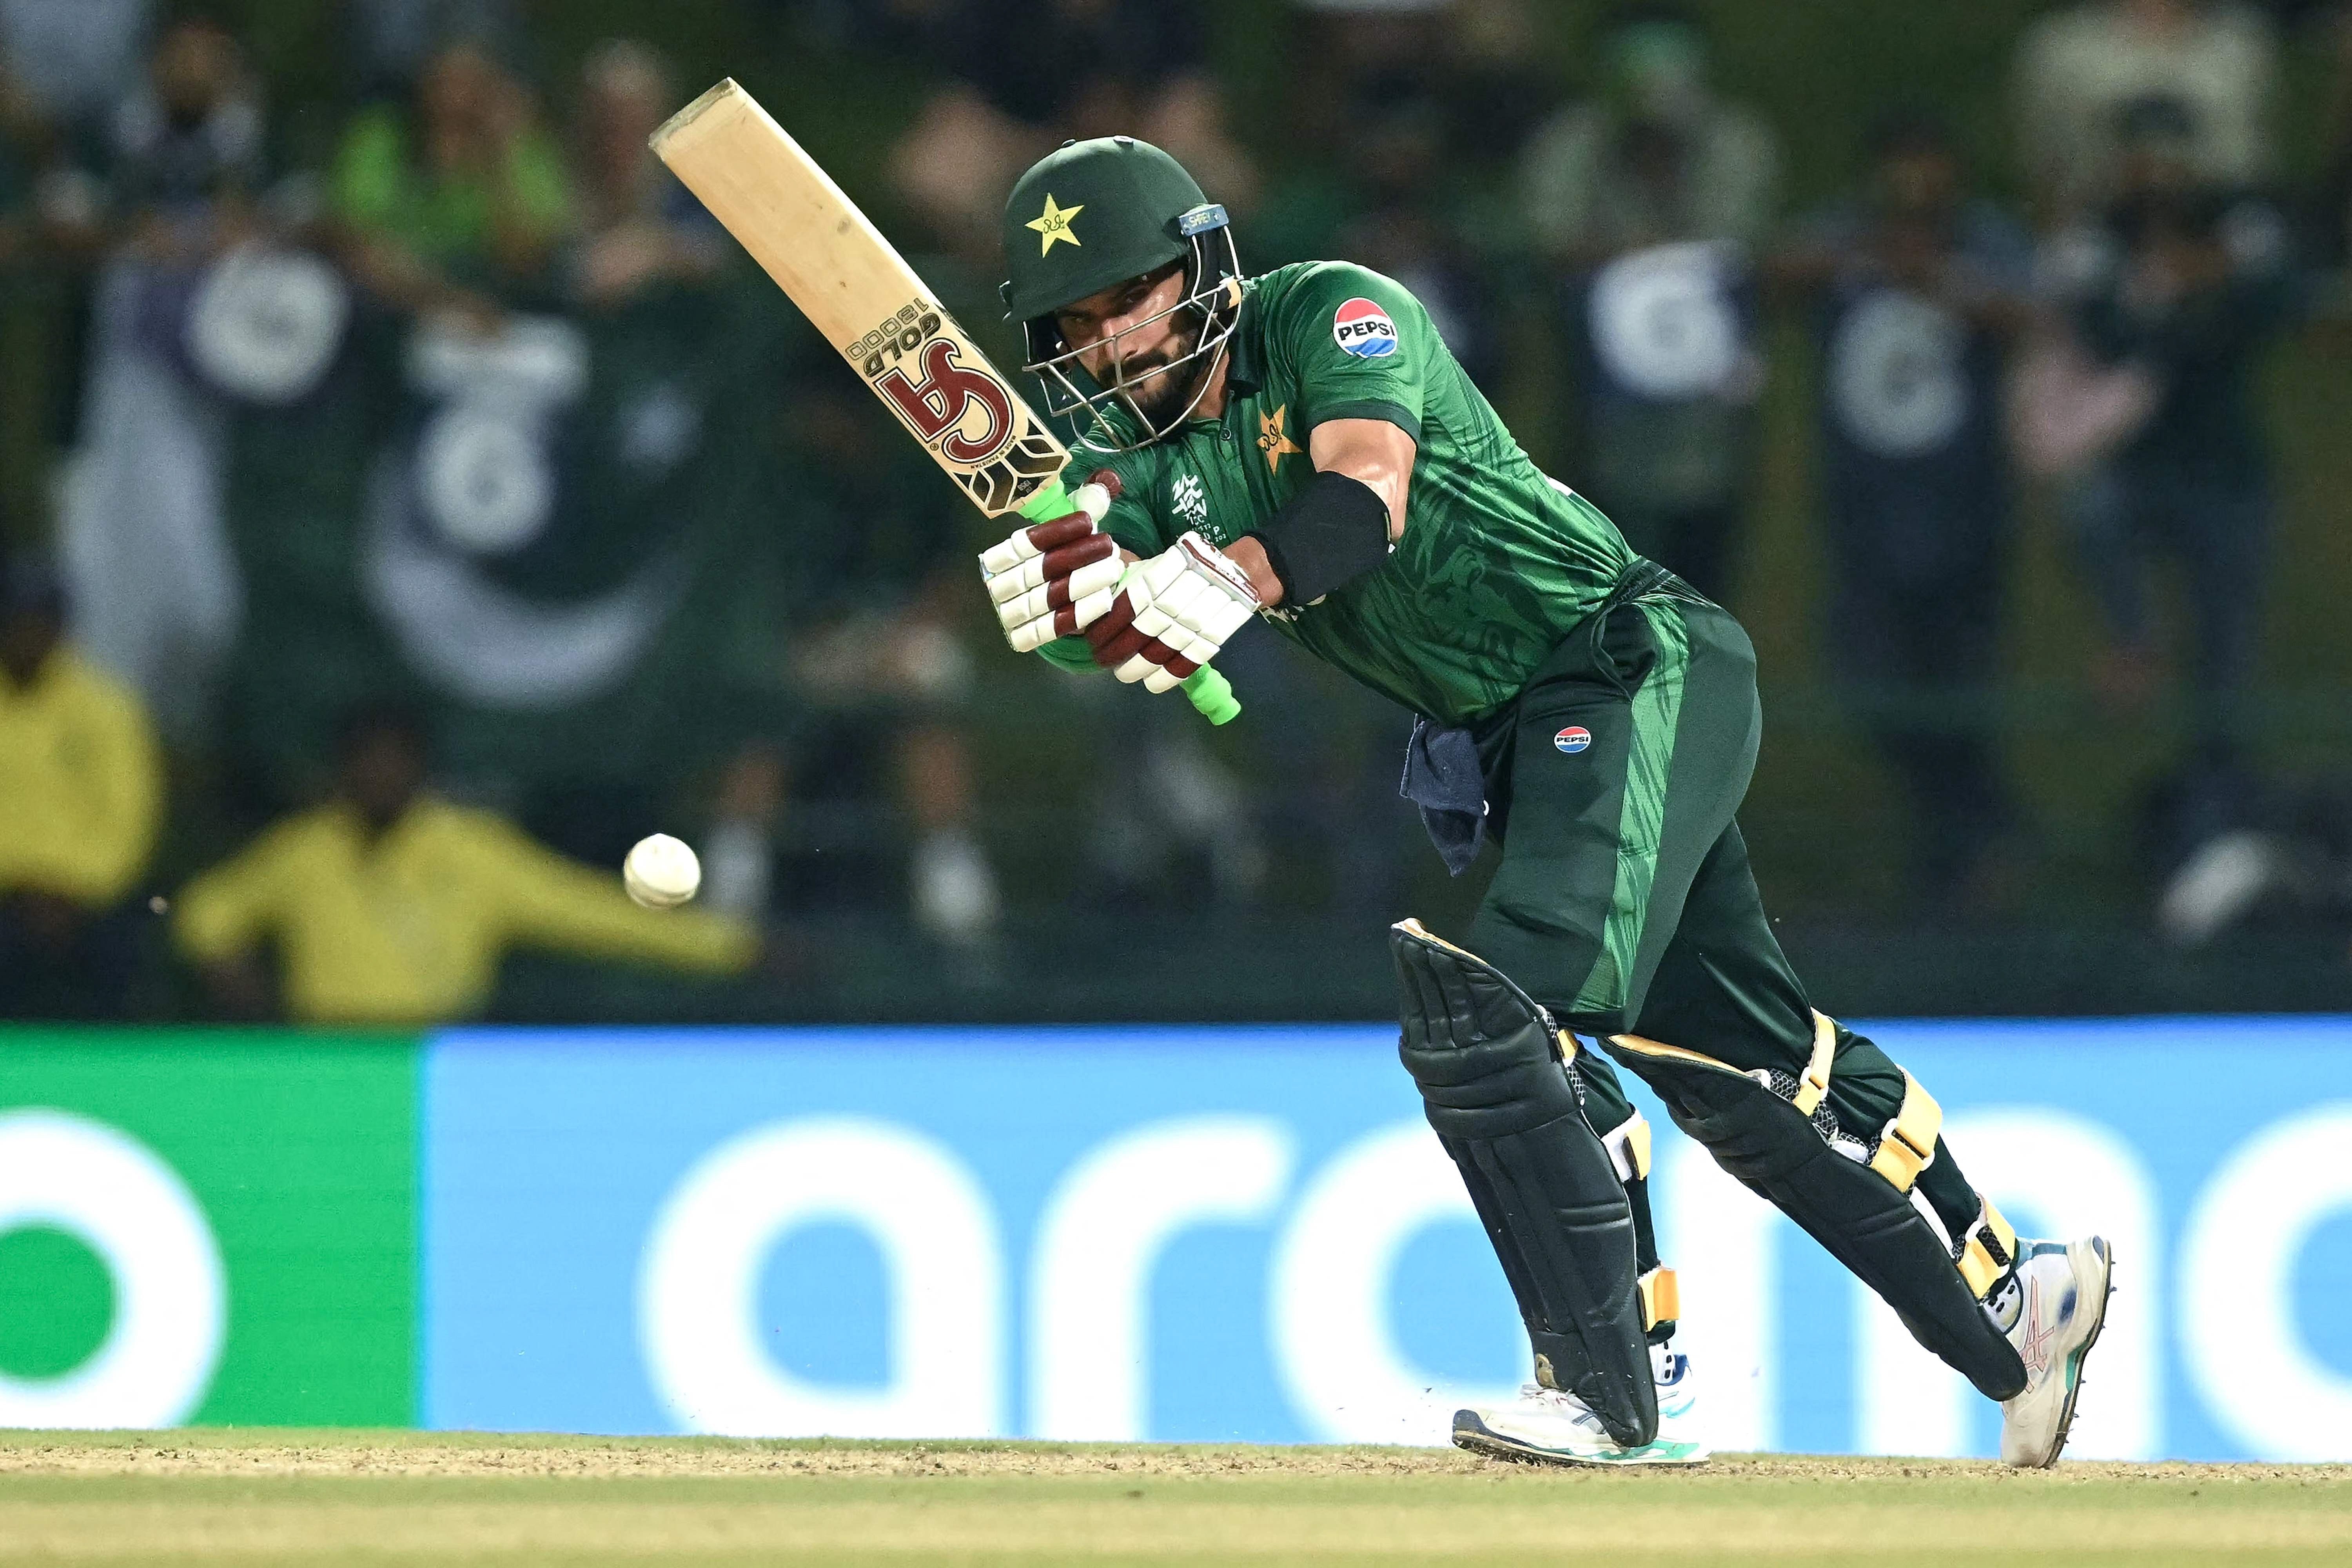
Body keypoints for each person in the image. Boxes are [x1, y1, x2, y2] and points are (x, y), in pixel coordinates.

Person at [973, 135, 2112, 1468]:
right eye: (1080, 325)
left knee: (1492, 1011)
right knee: (1742, 1062)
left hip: (1625, 662)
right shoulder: (1133, 454)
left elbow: (1363, 492)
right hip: (1522, 742)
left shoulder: (1334, 312)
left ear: (1203, 264)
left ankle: (1618, 1383)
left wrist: (1226, 580)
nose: (1112, 346)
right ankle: (2019, 1306)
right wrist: (1066, 613)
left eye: (1132, 300)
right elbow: (1112, 617)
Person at [1780, 114, 2032, 905]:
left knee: (1957, 677)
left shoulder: (1985, 241)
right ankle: (1972, 822)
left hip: (1965, 502)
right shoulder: (1847, 236)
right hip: (1864, 501)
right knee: (1868, 675)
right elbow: (1773, 273)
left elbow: (2032, 314)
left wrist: (1944, 282)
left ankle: (1960, 857)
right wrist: (1859, 262)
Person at [173, 702, 756, 1024]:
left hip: (442, 1057)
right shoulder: (306, 849)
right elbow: (205, 912)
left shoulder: (471, 851)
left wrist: (732, 947)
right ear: (342, 767)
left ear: (421, 767)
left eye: (394, 761)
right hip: (329, 1056)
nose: (379, 776)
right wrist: (242, 984)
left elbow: (589, 911)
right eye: (364, 761)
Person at [1515, 4, 1778, 601]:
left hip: (1710, 423)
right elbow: (1547, 248)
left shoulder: (1737, 145)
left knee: (1705, 592)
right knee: (1600, 595)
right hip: (1597, 424)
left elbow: (1742, 256)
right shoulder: (1570, 148)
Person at [0, 554, 161, 1019]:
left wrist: (73, 890)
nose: (27, 634)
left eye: (38, 621)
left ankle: (111, 1079)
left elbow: (129, 820)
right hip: (8, 897)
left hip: (88, 901)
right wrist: (20, 887)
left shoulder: (106, 709)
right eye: (16, 620)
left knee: (131, 935)